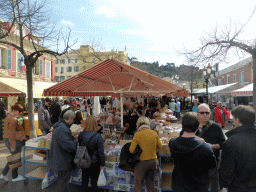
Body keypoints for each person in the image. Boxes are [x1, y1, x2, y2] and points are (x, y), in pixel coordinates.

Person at [169, 112, 216, 192]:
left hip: (178, 185)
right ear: (197, 127)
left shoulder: (172, 143)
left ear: (182, 126)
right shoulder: (205, 148)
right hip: (199, 186)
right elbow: (212, 165)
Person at [219, 105, 256, 192]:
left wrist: (224, 184)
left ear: (238, 120)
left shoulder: (232, 142)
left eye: (234, 118)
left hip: (239, 188)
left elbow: (226, 172)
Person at [196, 103, 225, 192]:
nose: (205, 114)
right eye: (202, 113)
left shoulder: (216, 126)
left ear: (210, 114)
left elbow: (223, 143)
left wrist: (213, 146)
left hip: (212, 162)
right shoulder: (191, 126)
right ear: (197, 114)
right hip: (195, 163)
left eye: (207, 113)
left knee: (213, 186)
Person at [129, 116, 162, 192]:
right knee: (150, 183)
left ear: (138, 124)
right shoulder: (154, 133)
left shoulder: (137, 135)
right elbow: (160, 146)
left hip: (141, 162)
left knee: (138, 184)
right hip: (153, 161)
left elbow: (131, 150)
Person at [48, 110, 77, 192]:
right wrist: (75, 143)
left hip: (60, 158)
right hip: (63, 159)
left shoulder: (60, 127)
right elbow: (68, 146)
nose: (73, 121)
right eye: (73, 119)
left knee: (62, 181)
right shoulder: (62, 129)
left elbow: (63, 142)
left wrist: (71, 139)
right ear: (70, 118)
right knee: (63, 182)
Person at [0, 103, 27, 182]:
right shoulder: (13, 119)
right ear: (14, 110)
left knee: (13, 158)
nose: (20, 113)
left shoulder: (9, 117)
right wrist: (13, 145)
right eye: (19, 111)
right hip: (14, 141)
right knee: (15, 159)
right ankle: (14, 177)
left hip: (9, 140)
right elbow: (12, 133)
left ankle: (4, 174)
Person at [78, 116, 105, 192]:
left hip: (84, 160)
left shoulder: (81, 135)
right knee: (94, 182)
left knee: (84, 180)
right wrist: (102, 163)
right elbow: (100, 152)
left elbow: (80, 147)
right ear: (95, 124)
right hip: (94, 162)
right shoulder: (98, 136)